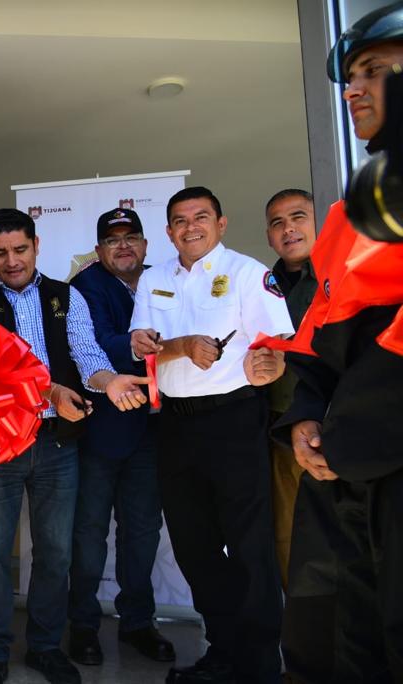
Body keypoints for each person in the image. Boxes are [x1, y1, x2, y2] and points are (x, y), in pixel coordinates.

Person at [0, 208, 149, 684]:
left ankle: (44, 645)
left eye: (20, 249)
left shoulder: (68, 295)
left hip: (57, 444)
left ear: (36, 246)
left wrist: (110, 380)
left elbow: (87, 356)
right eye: (0, 253)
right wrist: (53, 393)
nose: (11, 261)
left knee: (56, 551)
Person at [266, 5, 403, 679]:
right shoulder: (353, 212)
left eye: (376, 70)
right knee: (337, 647)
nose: (354, 89)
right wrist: (306, 418)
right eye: (350, 76)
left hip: (388, 461)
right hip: (343, 480)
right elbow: (319, 334)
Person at [129, 186, 293, 684]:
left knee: (249, 548)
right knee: (194, 547)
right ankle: (222, 653)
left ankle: (261, 665)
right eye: (180, 220)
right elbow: (143, 348)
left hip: (235, 421)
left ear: (221, 223)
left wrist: (270, 365)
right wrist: (176, 345)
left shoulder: (247, 274)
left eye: (201, 217)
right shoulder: (153, 278)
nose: (190, 226)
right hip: (175, 425)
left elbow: (277, 347)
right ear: (168, 231)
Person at [66, 208, 174, 667]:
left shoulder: (162, 279)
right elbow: (87, 343)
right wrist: (134, 342)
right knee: (89, 534)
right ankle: (84, 625)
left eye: (132, 237)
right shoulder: (84, 287)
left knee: (143, 532)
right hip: (102, 429)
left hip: (153, 428)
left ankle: (137, 623)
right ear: (99, 250)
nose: (124, 245)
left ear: (147, 244)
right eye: (113, 240)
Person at [262, 189, 317, 588]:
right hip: (280, 428)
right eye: (278, 222)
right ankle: (302, 629)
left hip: (338, 424)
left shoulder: (344, 275)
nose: (289, 228)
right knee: (287, 533)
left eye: (298, 217)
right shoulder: (260, 283)